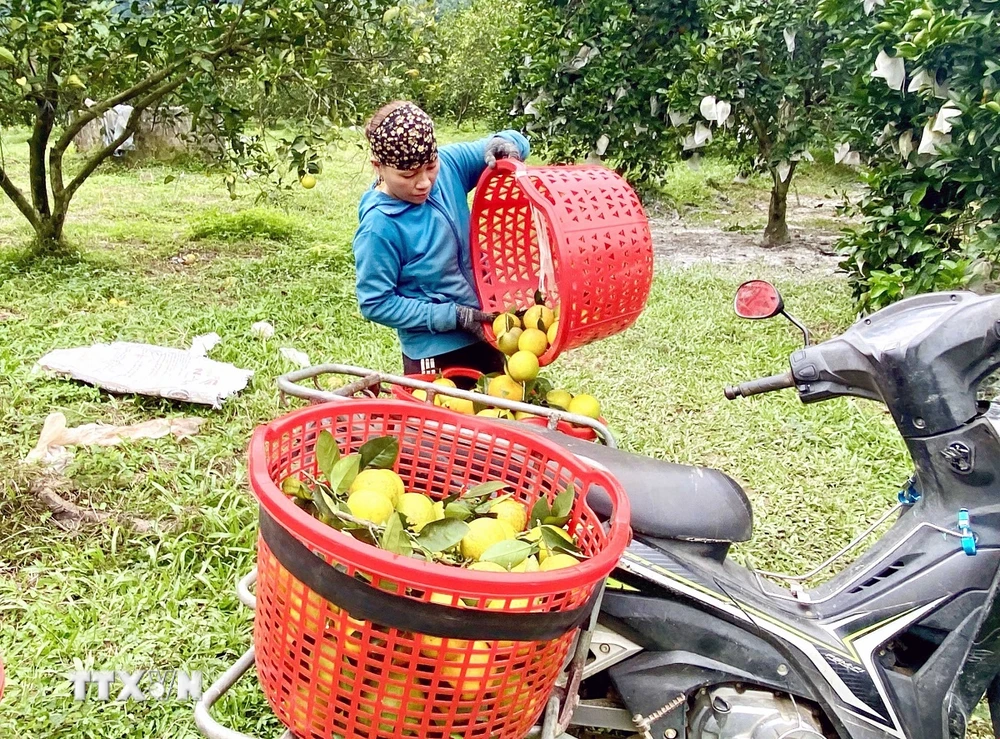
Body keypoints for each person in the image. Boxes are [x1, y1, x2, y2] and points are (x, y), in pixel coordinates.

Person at [352, 101, 529, 375]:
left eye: (430, 166)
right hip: (435, 351)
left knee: (497, 414)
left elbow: (510, 140)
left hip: (488, 328)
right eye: (408, 175)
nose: (424, 182)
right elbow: (376, 302)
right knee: (442, 418)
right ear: (379, 167)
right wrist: (453, 316)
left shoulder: (449, 166)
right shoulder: (380, 226)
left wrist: (506, 145)